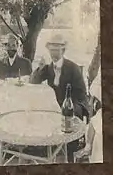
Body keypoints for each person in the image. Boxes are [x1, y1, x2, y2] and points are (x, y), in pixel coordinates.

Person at [29, 34, 89, 163]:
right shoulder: (49, 67)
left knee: (70, 115)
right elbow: (33, 81)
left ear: (63, 50)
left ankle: (70, 152)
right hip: (55, 104)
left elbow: (82, 92)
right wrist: (39, 68)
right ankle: (46, 147)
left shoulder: (73, 67)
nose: (54, 52)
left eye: (57, 49)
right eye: (51, 49)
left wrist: (69, 104)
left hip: (73, 102)